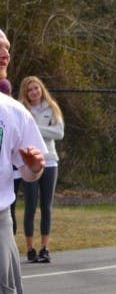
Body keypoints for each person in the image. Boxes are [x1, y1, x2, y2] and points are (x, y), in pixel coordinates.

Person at [0, 29, 47, 294]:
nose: (5, 53)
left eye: (6, 48)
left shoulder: (14, 112)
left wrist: (33, 168)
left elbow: (29, 173)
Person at [16, 77, 63, 263]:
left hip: (49, 162)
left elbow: (58, 133)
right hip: (29, 164)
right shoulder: (20, 110)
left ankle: (44, 247)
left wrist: (35, 128)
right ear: (25, 93)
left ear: (41, 89)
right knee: (30, 206)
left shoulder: (52, 108)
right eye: (30, 90)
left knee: (46, 206)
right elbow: (19, 132)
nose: (34, 92)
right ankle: (30, 249)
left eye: (36, 88)